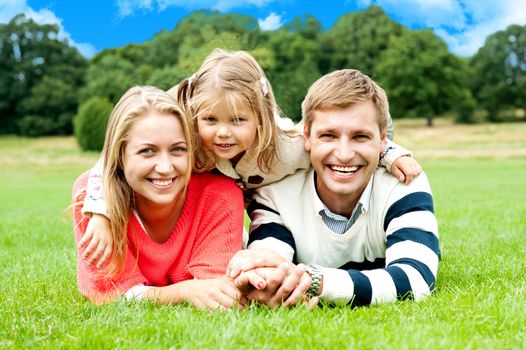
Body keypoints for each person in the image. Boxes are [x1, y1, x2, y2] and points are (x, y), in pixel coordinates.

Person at [78, 49, 421, 268]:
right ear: (196, 117)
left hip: (266, 221)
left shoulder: (286, 146)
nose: (223, 134)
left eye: (238, 121)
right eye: (210, 120)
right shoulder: (190, 145)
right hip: (217, 220)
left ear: (260, 117)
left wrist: (390, 152)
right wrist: (101, 212)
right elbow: (112, 158)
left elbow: (336, 144)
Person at [227, 69, 440, 307]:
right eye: (328, 135)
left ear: (383, 140)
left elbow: (415, 280)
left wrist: (315, 281)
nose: (344, 154)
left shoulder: (403, 183)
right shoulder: (275, 191)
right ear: (306, 136)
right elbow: (268, 270)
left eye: (360, 136)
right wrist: (268, 281)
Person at [71, 86, 245, 309]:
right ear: (120, 156)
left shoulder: (219, 195)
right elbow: (112, 293)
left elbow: (213, 287)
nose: (165, 167)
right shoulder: (92, 199)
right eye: (147, 151)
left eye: (178, 149)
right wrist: (184, 291)